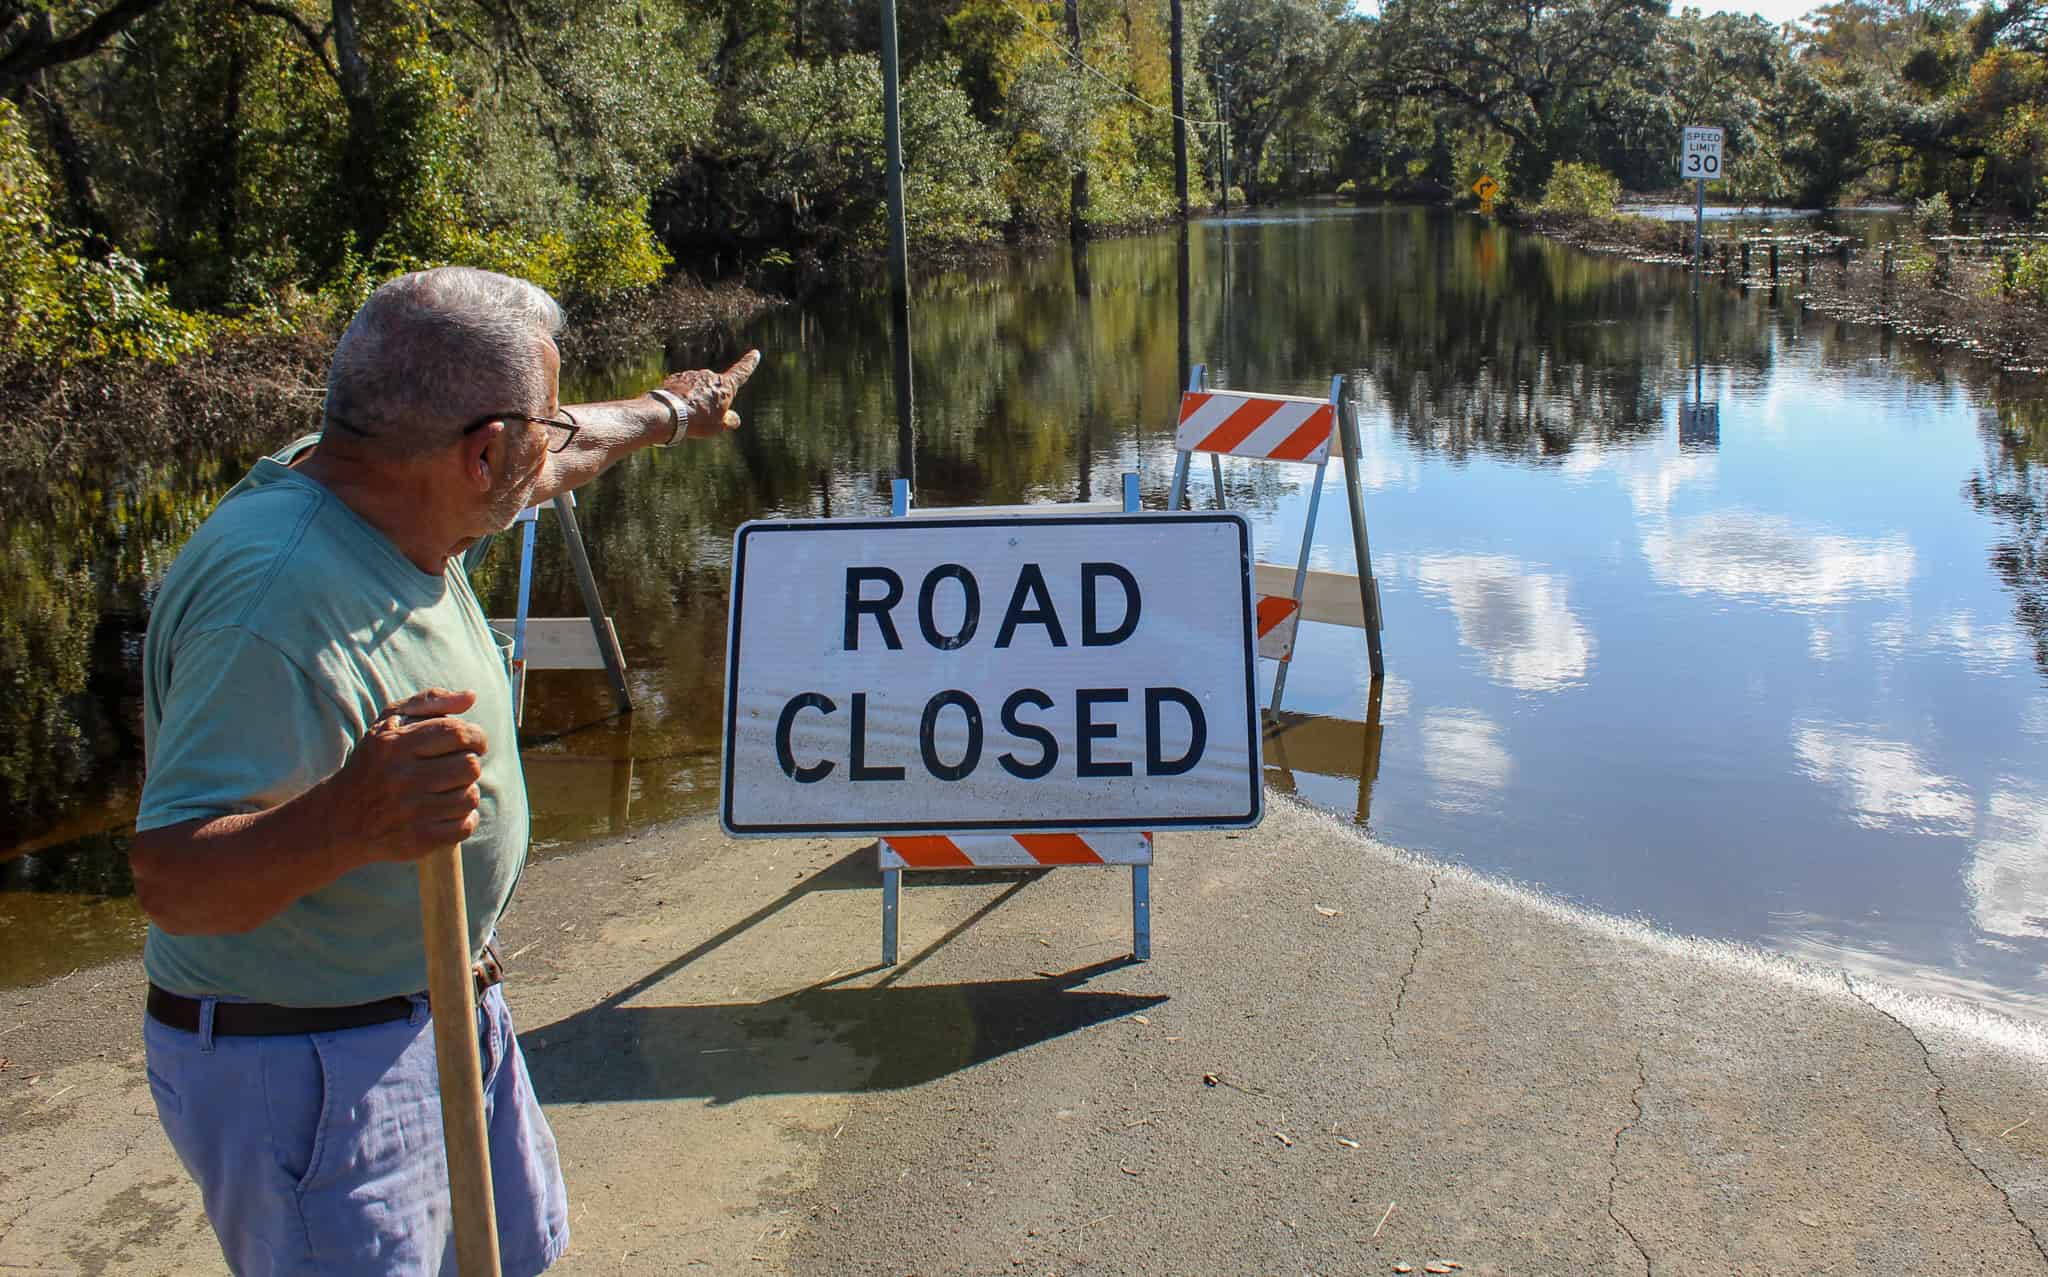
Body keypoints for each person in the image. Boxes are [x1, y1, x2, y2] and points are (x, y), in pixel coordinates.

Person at [128, 265, 759, 1276]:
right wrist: (352, 816)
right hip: (314, 1066)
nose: (554, 448)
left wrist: (672, 411)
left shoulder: (378, 485)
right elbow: (171, 881)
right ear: (481, 452)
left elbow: (563, 453)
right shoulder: (275, 603)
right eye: (536, 431)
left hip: (438, 1006)